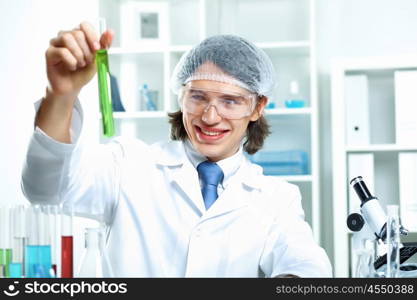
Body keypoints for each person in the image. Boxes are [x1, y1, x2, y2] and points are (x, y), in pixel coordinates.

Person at [22, 22, 332, 277]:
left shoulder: (277, 197)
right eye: (198, 97)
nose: (210, 117)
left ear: (257, 107)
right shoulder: (129, 165)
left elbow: (305, 266)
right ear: (181, 94)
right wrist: (61, 93)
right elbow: (46, 191)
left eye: (230, 101)